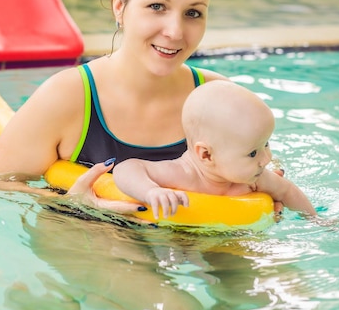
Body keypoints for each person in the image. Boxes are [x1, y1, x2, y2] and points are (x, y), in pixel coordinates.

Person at [0, 0, 236, 208]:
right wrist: (76, 204)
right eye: (157, 7)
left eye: (193, 13)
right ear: (119, 6)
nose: (174, 31)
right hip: (86, 240)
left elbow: (262, 179)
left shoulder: (220, 101)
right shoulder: (68, 97)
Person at [113, 80, 317, 221]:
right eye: (253, 153)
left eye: (266, 144)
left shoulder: (255, 178)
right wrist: (151, 191)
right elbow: (127, 168)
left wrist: (315, 220)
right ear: (206, 155)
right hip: (182, 240)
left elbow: (287, 190)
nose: (266, 160)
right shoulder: (182, 174)